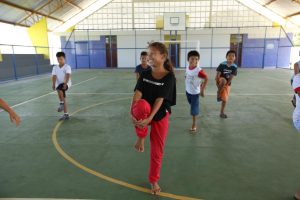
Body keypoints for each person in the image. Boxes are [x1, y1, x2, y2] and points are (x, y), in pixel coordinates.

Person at [130, 42, 176, 195]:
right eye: (148, 55)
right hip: (145, 110)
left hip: (160, 113)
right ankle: (141, 137)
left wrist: (150, 118)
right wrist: (132, 111)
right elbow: (137, 94)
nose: (148, 57)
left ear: (163, 57)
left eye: (152, 54)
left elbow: (160, 100)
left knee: (157, 150)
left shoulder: (169, 77)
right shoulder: (144, 74)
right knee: (141, 105)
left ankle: (153, 180)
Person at [185, 50, 208, 132]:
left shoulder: (199, 70)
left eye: (196, 59)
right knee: (192, 105)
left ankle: (194, 124)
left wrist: (202, 90)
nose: (194, 60)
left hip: (195, 93)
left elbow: (206, 78)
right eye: (192, 58)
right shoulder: (187, 67)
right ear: (188, 59)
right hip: (188, 91)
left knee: (193, 110)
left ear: (198, 60)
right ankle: (195, 108)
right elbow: (187, 75)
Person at [215, 50, 238, 118]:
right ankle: (218, 93)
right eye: (229, 55)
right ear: (226, 57)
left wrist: (226, 85)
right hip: (220, 80)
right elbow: (217, 75)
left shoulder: (234, 67)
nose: (231, 57)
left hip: (227, 84)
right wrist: (217, 84)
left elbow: (231, 77)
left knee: (224, 100)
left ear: (235, 58)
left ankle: (222, 112)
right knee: (223, 80)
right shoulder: (222, 64)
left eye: (233, 56)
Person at [52, 52, 72, 121]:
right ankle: (66, 114)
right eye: (58, 59)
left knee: (61, 91)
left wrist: (65, 83)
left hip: (66, 83)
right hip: (58, 84)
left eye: (61, 59)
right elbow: (54, 76)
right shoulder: (55, 67)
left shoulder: (67, 67)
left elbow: (68, 75)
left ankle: (62, 104)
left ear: (64, 59)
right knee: (59, 92)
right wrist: (53, 84)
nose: (59, 61)